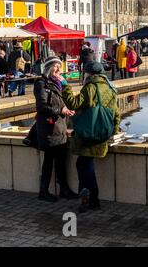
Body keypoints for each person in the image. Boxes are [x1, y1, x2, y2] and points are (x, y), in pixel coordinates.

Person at [61, 61, 120, 213]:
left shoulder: (91, 87)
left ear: (89, 74)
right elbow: (116, 114)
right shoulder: (109, 88)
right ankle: (92, 199)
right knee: (86, 165)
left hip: (87, 135)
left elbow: (73, 104)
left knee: (84, 167)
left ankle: (88, 199)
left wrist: (65, 85)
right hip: (101, 135)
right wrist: (113, 131)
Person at [34, 56, 78, 202]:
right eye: (56, 66)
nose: (59, 69)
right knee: (49, 160)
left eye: (60, 66)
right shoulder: (41, 83)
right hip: (49, 128)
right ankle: (43, 191)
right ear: (48, 67)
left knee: (61, 160)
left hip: (60, 128)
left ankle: (63, 189)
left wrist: (65, 86)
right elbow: (42, 106)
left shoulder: (58, 83)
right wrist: (61, 110)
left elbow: (64, 102)